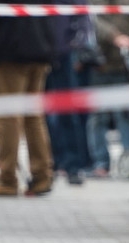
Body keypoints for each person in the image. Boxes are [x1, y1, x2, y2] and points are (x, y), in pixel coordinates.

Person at [0, 0, 55, 196]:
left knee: (7, 117)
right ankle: (42, 176)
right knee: (33, 117)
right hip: (40, 46)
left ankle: (7, 179)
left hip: (12, 49)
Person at [86, 0, 129, 178]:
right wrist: (113, 36)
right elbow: (90, 17)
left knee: (125, 114)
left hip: (125, 65)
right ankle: (100, 164)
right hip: (98, 63)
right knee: (97, 116)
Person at [45, 0, 93, 186]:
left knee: (68, 113)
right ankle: (53, 164)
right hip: (42, 51)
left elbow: (82, 18)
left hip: (64, 54)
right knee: (42, 114)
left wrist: (75, 46)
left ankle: (73, 166)